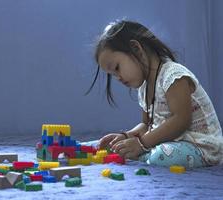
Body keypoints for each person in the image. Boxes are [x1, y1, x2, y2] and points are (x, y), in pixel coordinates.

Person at [86, 20, 223, 168]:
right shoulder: (144, 87)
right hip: (176, 143)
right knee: (126, 148)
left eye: (117, 68)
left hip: (201, 147)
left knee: (162, 155)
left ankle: (144, 155)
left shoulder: (173, 75)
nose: (117, 78)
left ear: (136, 49)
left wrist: (141, 144)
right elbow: (147, 125)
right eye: (113, 74)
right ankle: (141, 153)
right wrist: (126, 136)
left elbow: (181, 120)